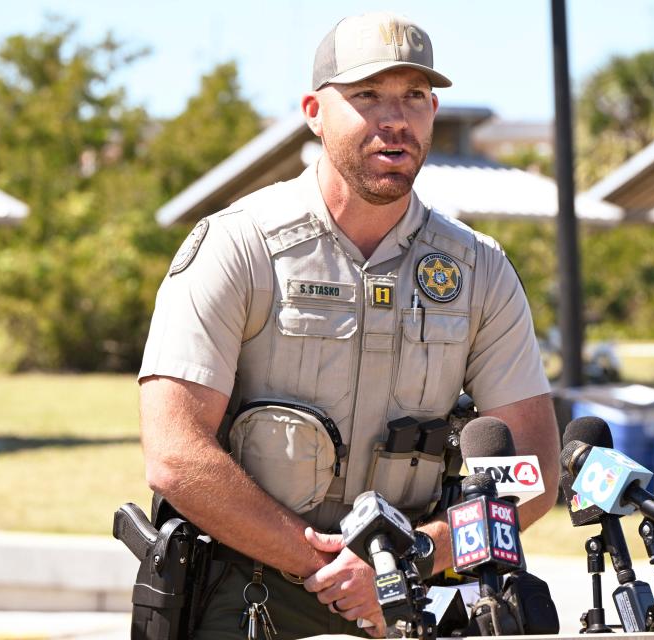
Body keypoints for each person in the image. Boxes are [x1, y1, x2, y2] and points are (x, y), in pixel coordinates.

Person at [137, 11, 559, 640]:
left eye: (414, 96)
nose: (395, 119)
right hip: (248, 591)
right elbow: (175, 452)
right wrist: (326, 567)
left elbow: (532, 472)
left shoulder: (479, 268)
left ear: (434, 111)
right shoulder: (239, 244)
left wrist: (415, 558)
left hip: (411, 595)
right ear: (314, 110)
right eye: (367, 95)